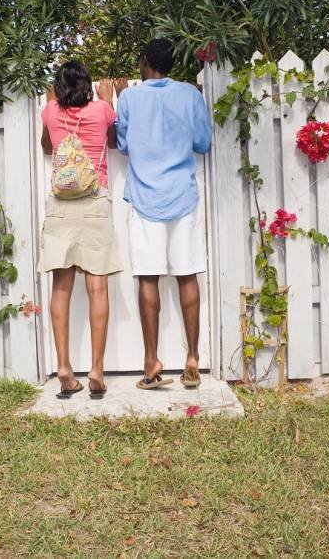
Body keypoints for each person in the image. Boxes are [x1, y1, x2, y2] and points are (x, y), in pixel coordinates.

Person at [115, 38, 212, 390]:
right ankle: (192, 357)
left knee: (148, 278)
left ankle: (151, 362)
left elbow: (123, 145)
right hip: (182, 197)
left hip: (145, 199)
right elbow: (203, 143)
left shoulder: (129, 98)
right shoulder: (189, 94)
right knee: (187, 276)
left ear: (144, 61)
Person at [37, 60, 123, 400]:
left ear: (58, 86)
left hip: (60, 205)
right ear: (88, 84)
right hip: (94, 201)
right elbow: (114, 143)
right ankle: (97, 370)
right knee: (97, 287)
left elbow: (47, 147)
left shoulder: (50, 111)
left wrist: (51, 105)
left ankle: (64, 367)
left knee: (61, 287)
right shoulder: (102, 110)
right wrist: (110, 101)